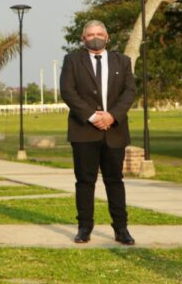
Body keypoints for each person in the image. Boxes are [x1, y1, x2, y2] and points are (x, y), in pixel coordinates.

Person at [60, 19, 136, 245]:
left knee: (115, 181)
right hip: (84, 131)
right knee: (85, 181)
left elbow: (129, 91)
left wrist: (112, 116)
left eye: (99, 33)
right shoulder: (72, 60)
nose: (95, 37)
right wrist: (93, 116)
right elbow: (68, 91)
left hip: (115, 131)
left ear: (107, 36)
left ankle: (121, 229)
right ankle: (84, 228)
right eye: (90, 34)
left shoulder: (123, 61)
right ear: (83, 38)